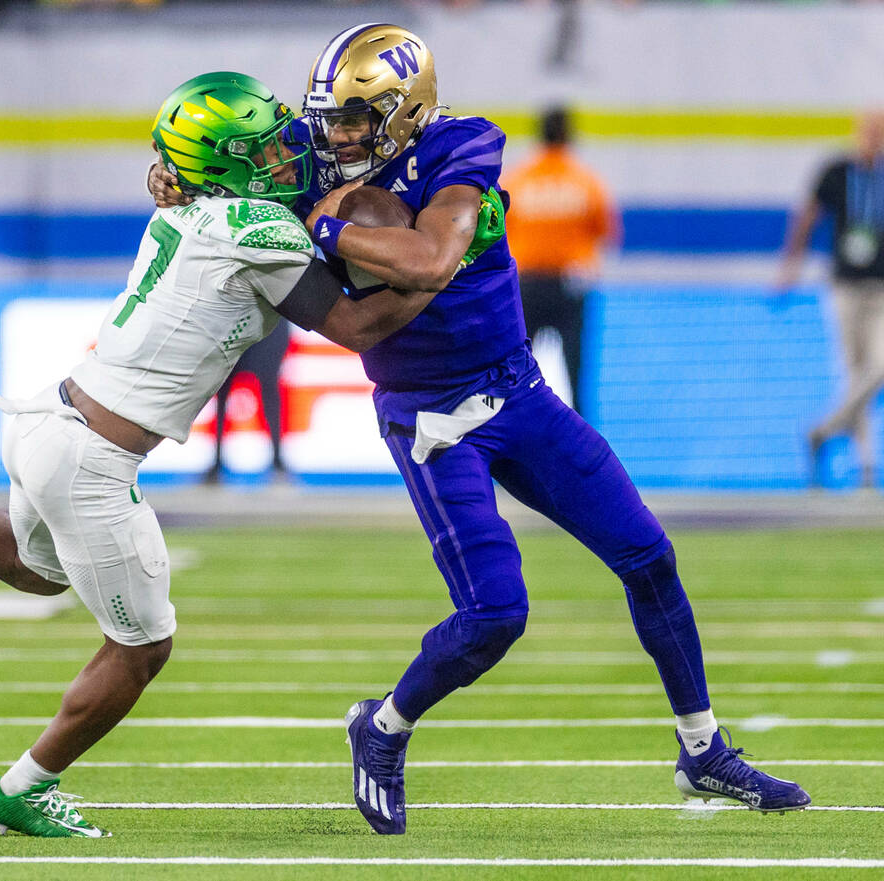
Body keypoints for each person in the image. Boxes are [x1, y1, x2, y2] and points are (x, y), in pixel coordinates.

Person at [151, 24, 810, 834]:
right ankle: (383, 726)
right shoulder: (311, 151)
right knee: (496, 613)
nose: (340, 134)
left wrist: (325, 224)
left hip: (517, 391)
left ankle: (702, 749)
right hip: (430, 418)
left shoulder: (463, 145)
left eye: (358, 118)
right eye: (333, 119)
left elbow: (429, 260)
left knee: (650, 556)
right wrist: (177, 178)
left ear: (406, 109)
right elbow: (218, 172)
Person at [0, 71, 436, 838]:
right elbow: (362, 326)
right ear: (225, 164)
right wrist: (446, 263)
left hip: (47, 417)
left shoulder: (196, 200)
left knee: (37, 570)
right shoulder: (256, 229)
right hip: (90, 455)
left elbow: (227, 179)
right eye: (262, 148)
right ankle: (20, 788)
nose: (284, 154)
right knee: (143, 647)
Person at [778, 110, 884, 490]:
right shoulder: (837, 171)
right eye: (868, 129)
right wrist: (791, 264)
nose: (873, 137)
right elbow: (807, 215)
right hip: (845, 286)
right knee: (855, 373)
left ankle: (823, 431)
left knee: (878, 368)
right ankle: (867, 466)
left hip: (881, 288)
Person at [504, 105, 619, 414]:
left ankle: (514, 431)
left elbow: (499, 232)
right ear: (569, 136)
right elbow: (606, 232)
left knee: (517, 369)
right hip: (569, 285)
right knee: (575, 369)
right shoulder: (585, 182)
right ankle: (582, 440)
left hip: (524, 284)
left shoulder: (518, 180)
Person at [204, 318, 291, 484]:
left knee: (269, 390)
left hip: (265, 326)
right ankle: (216, 462)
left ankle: (278, 461)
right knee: (222, 392)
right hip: (237, 323)